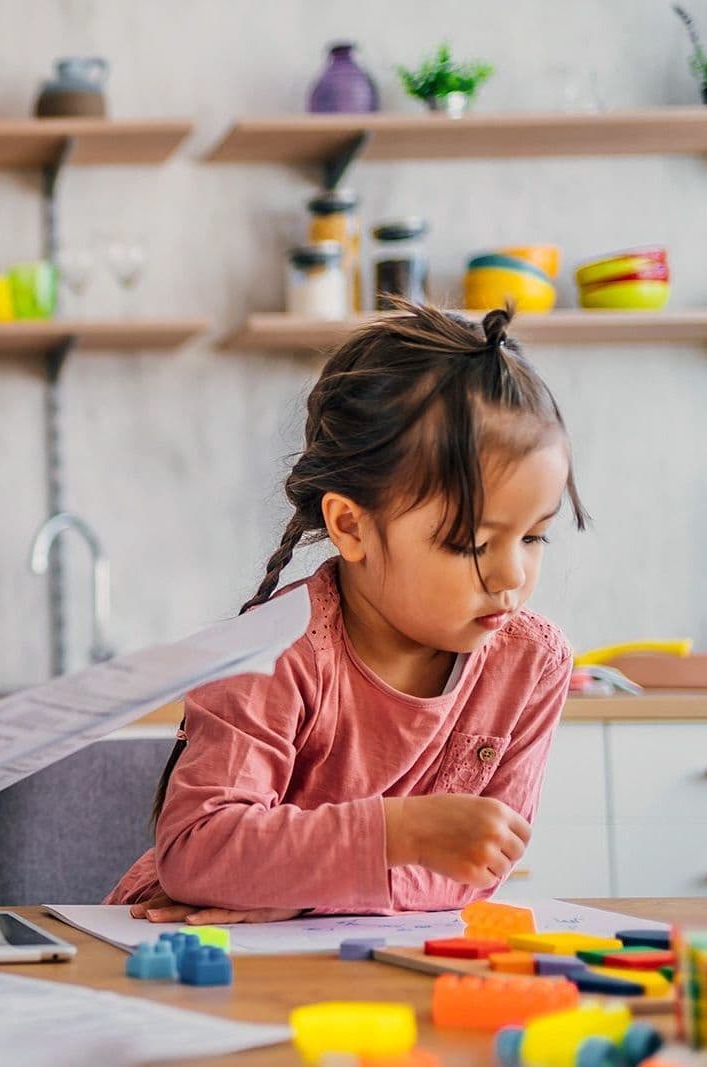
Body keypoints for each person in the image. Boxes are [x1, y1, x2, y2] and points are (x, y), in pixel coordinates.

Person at [112, 304, 585, 924]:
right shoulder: (271, 651)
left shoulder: (532, 664)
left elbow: (475, 874)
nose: (512, 577)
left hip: (354, 959)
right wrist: (398, 835)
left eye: (533, 538)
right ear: (351, 526)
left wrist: (295, 889)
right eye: (470, 544)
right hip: (186, 952)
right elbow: (196, 854)